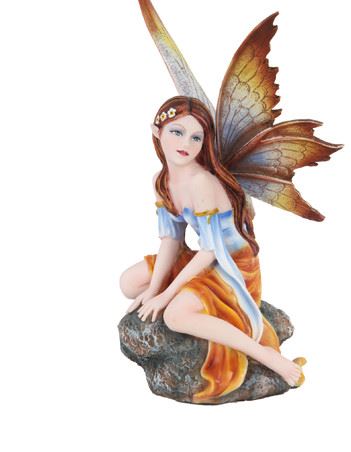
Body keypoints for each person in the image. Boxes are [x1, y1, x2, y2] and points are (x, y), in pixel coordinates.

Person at [119, 95, 305, 403]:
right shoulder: (161, 180)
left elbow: (211, 251)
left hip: (232, 266)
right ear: (157, 132)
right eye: (177, 132)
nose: (186, 143)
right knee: (130, 283)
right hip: (207, 257)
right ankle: (184, 296)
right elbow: (172, 240)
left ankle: (267, 357)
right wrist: (153, 289)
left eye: (196, 137)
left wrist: (167, 294)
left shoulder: (202, 183)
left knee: (175, 316)